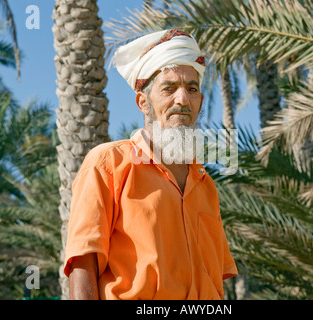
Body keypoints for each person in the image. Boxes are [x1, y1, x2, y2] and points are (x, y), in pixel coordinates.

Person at [64, 29, 238, 300]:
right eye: (169, 88)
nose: (182, 99)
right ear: (143, 102)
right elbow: (83, 265)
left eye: (192, 89)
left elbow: (215, 282)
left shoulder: (206, 186)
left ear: (200, 101)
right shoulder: (107, 164)